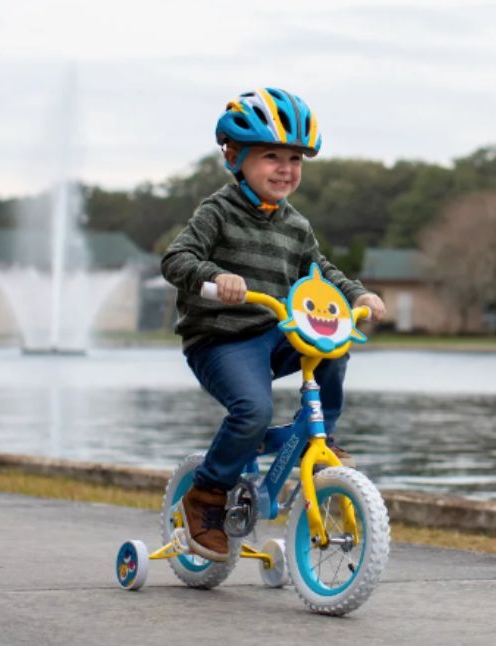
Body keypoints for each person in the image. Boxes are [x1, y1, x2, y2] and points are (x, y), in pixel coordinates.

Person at [160, 87, 387, 562]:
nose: (286, 168)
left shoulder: (296, 225)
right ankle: (204, 497)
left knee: (333, 346)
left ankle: (323, 436)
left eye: (295, 159)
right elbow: (176, 259)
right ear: (234, 156)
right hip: (220, 340)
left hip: (273, 333)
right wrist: (215, 277)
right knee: (252, 411)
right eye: (271, 156)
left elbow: (320, 271)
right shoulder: (217, 212)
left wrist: (356, 295)